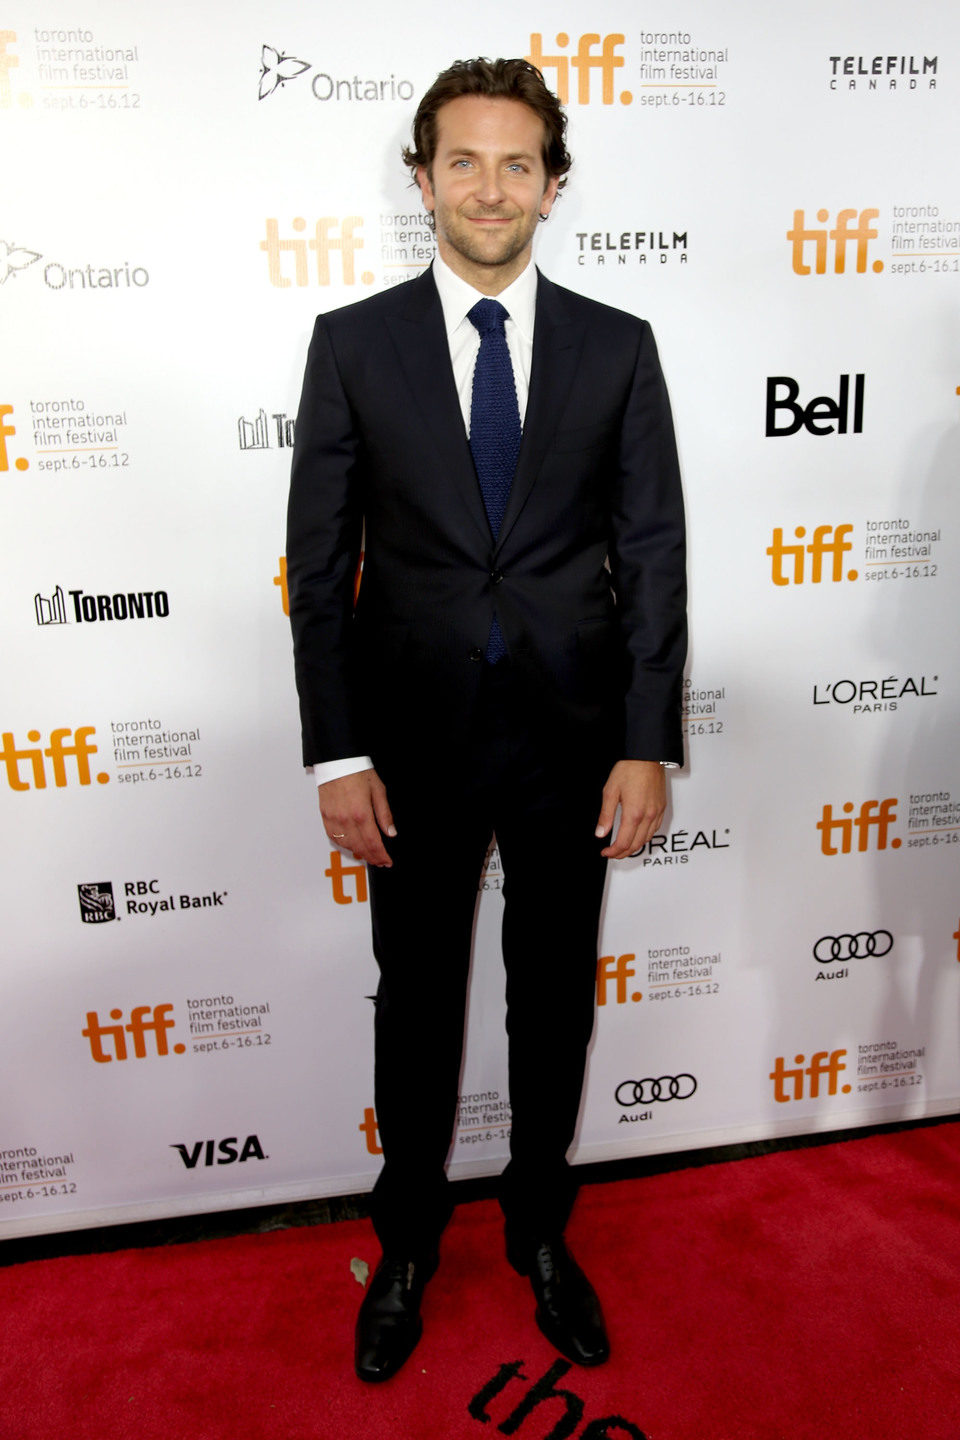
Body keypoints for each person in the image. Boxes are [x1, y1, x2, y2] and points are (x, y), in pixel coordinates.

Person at [286, 56, 686, 1383]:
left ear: (555, 186)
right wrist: (340, 751)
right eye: (464, 160)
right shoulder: (353, 345)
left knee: (553, 1004)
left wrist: (644, 740)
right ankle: (406, 1244)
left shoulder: (621, 349)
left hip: (576, 742)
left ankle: (539, 1235)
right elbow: (319, 563)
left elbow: (652, 555)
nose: (491, 186)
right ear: (422, 181)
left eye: (519, 163)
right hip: (410, 746)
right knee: (419, 1005)